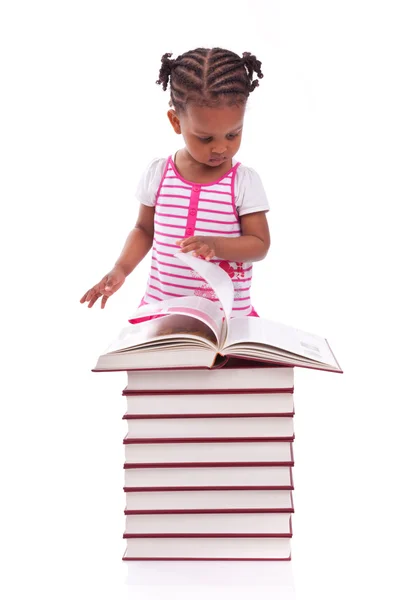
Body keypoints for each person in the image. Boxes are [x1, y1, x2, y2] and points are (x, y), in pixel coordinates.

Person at [80, 47, 271, 318]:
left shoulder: (242, 182)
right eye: (206, 138)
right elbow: (144, 230)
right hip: (162, 311)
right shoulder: (159, 174)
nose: (221, 148)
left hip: (226, 319)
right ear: (175, 121)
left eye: (232, 134)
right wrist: (120, 268)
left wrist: (216, 246)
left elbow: (259, 244)